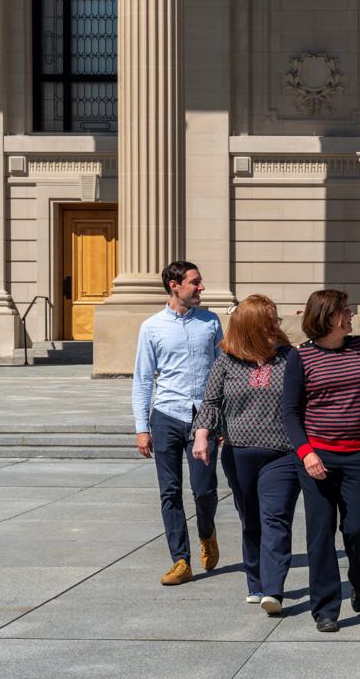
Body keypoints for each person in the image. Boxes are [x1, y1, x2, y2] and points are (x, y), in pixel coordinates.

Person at [281, 290, 360, 633]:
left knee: (358, 526)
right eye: (345, 311)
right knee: (320, 533)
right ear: (329, 317)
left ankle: (357, 577)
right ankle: (326, 608)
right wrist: (306, 453)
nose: (351, 316)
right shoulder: (300, 358)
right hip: (317, 457)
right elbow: (289, 413)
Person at [191, 295, 300, 616]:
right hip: (238, 454)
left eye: (277, 321)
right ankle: (255, 582)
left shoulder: (290, 357)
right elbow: (211, 402)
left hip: (282, 454)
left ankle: (273, 589)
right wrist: (201, 436)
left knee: (276, 519)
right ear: (251, 327)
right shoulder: (226, 359)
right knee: (250, 520)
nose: (276, 327)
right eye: (269, 323)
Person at [133, 260, 223, 586]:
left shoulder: (211, 322)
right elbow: (143, 379)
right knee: (170, 492)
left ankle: (207, 532)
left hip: (204, 419)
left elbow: (221, 373)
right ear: (175, 285)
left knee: (204, 490)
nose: (201, 287)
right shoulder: (151, 326)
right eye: (195, 282)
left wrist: (221, 421)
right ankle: (181, 560)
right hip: (166, 416)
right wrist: (142, 427)